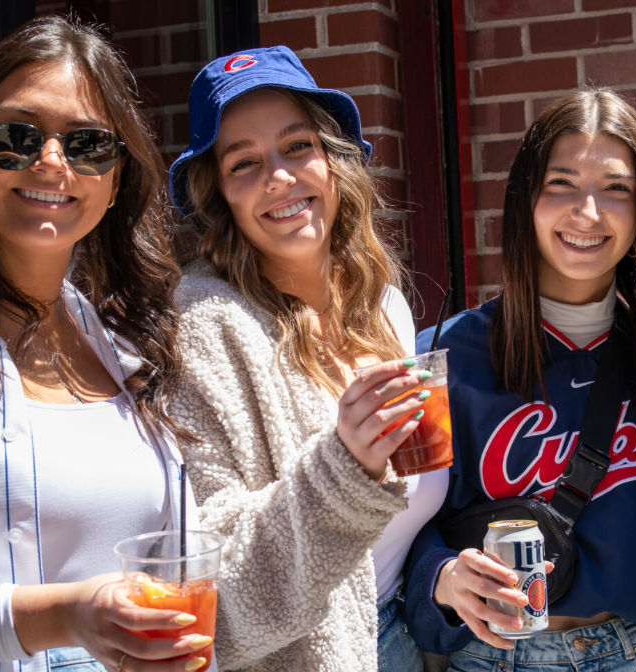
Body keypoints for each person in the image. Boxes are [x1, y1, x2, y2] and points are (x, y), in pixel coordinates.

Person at [0, 15, 210, 672]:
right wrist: (65, 615)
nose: (51, 162)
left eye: (87, 145)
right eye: (16, 137)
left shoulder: (133, 346)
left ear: (114, 181)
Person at [402, 88, 636, 672]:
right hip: (503, 657)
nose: (586, 213)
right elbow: (398, 532)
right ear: (525, 201)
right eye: (561, 184)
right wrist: (442, 576)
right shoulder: (438, 355)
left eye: (616, 188)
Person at [167, 46, 447, 672]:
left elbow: (410, 508)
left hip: (408, 638)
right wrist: (344, 465)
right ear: (220, 196)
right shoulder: (203, 327)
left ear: (331, 162)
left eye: (297, 146)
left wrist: (445, 575)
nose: (280, 177)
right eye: (244, 162)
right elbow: (212, 583)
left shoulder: (386, 307)